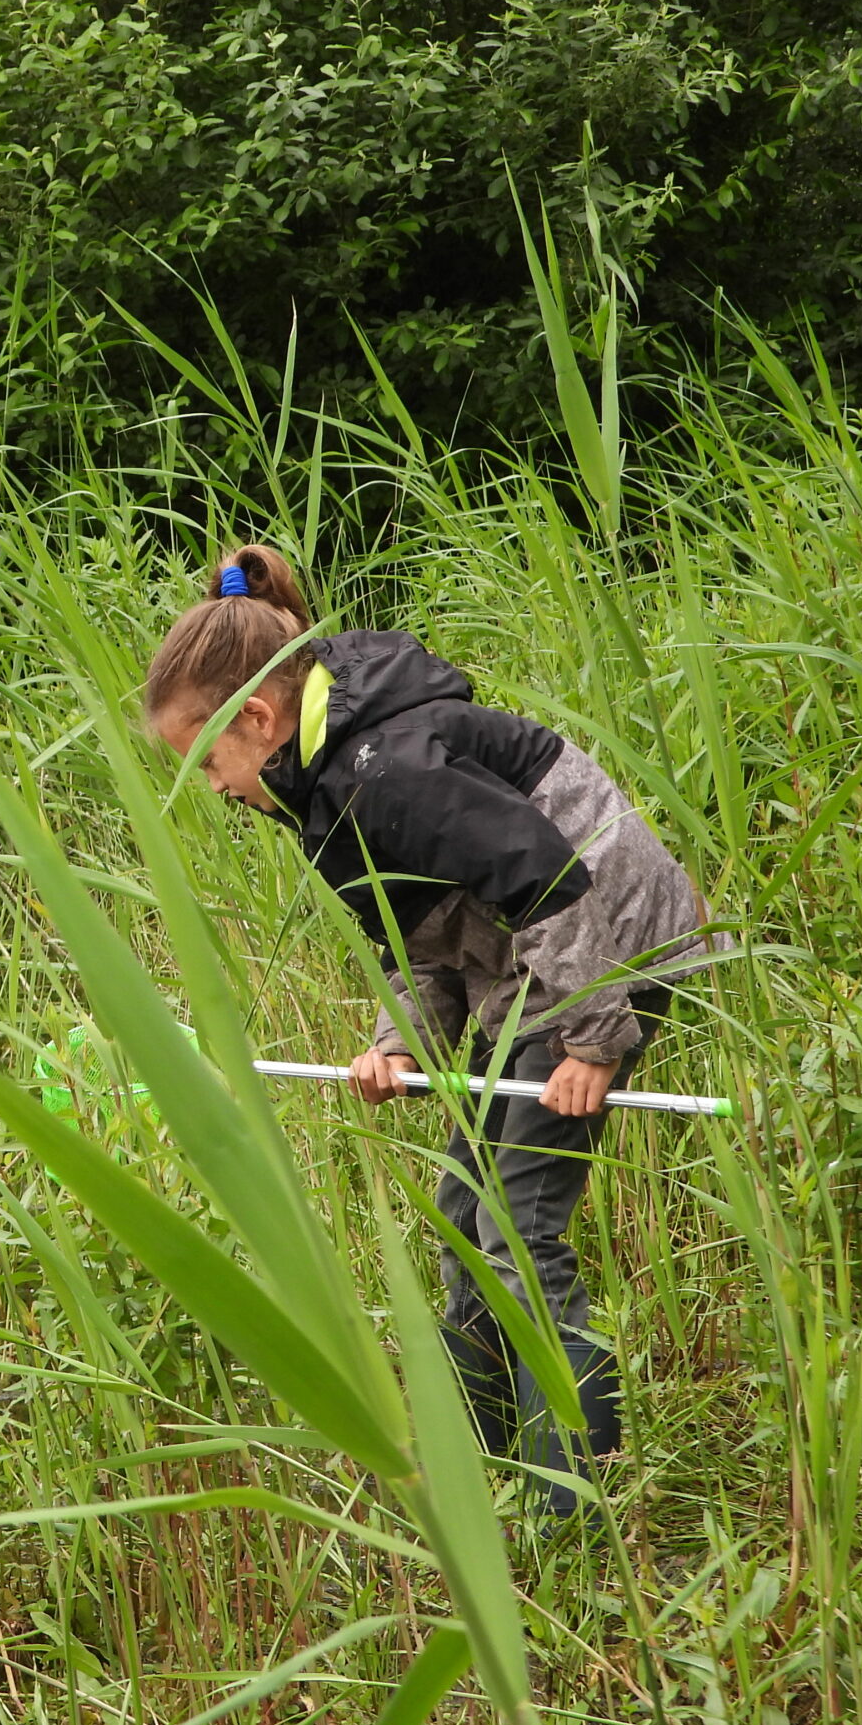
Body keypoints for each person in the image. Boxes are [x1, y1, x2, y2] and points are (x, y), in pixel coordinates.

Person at [144, 546, 719, 1516]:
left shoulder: (388, 771)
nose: (209, 789)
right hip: (525, 967)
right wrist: (397, 1043)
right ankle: (471, 1453)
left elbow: (550, 880)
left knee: (517, 1228)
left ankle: (577, 1480)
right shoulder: (322, 783)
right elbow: (417, 938)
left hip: (598, 951)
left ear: (252, 720)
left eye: (205, 764)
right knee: (462, 1211)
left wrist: (590, 1041)